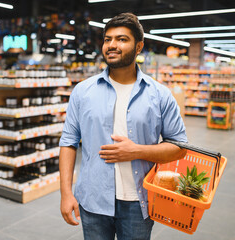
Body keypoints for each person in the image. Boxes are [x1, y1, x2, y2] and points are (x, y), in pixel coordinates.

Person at [59, 12, 188, 240]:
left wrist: (136, 151)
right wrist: (66, 193)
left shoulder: (160, 95)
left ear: (138, 47)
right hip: (93, 200)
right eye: (108, 39)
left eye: (121, 39)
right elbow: (68, 143)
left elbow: (179, 147)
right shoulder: (82, 91)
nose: (112, 45)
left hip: (139, 203)